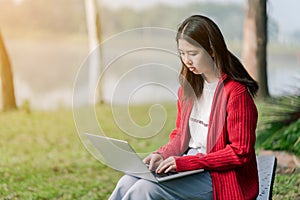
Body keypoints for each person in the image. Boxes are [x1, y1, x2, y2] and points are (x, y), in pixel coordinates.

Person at [109, 15, 259, 200]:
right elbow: (181, 137)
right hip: (191, 164)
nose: (187, 60)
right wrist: (161, 154)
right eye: (182, 53)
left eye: (193, 53)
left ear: (212, 50)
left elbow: (239, 152)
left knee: (145, 190)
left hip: (222, 176)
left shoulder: (236, 94)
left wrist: (187, 163)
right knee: (128, 181)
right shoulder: (189, 88)